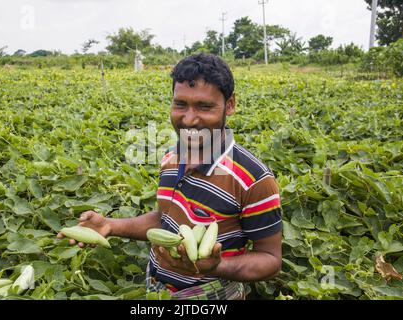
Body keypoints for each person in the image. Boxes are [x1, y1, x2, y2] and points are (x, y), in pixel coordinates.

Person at [58, 53, 282, 300]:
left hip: (213, 295)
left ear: (230, 105)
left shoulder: (254, 179)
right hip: (157, 287)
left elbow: (270, 260)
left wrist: (216, 266)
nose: (189, 119)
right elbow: (167, 219)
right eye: (180, 104)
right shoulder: (171, 158)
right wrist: (109, 225)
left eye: (204, 106)